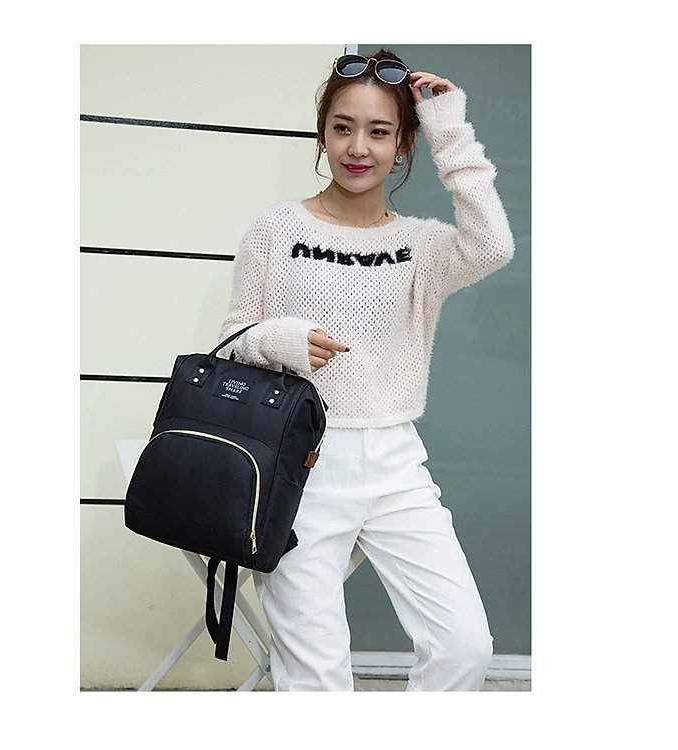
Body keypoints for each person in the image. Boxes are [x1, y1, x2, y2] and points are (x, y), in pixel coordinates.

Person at [216, 49, 514, 691]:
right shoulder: (275, 230)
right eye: (343, 127)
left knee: (464, 646)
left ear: (403, 145)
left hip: (395, 464)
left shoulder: (422, 245)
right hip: (298, 465)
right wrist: (282, 339)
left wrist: (449, 129)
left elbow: (492, 245)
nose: (358, 147)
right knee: (316, 675)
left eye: (380, 132)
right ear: (322, 133)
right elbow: (230, 345)